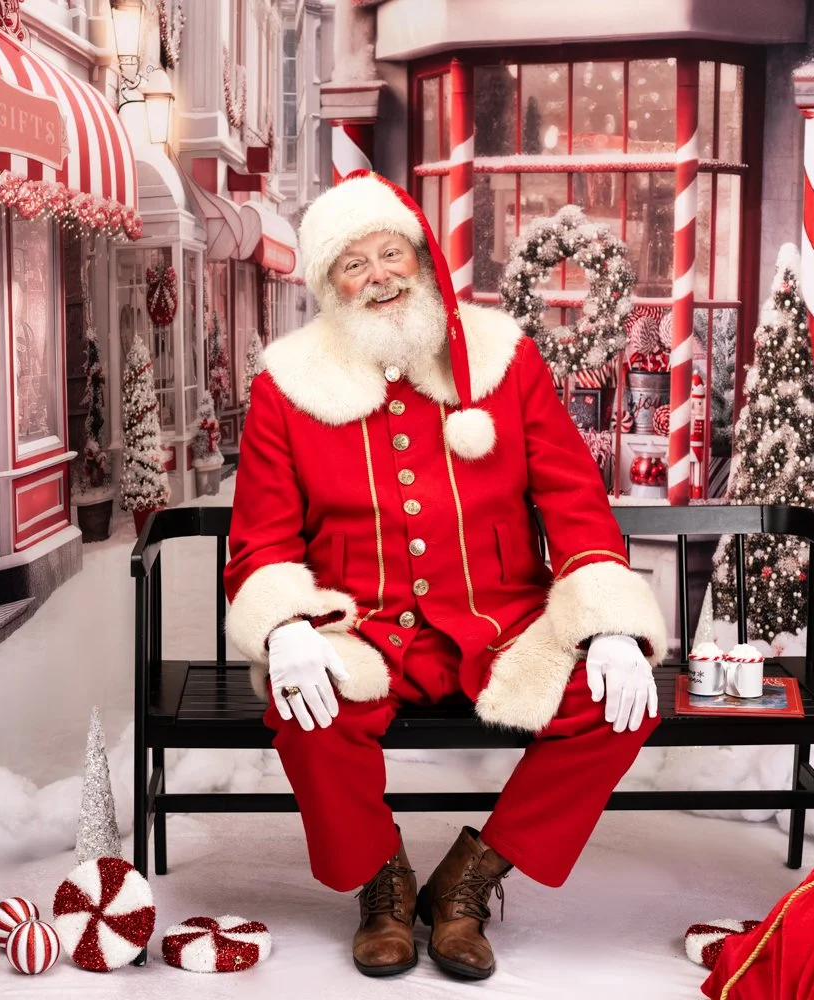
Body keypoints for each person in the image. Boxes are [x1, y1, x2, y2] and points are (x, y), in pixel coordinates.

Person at [223, 171, 668, 980]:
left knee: (619, 704)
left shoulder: (504, 360)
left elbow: (573, 501)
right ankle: (381, 883)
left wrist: (608, 624)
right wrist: (284, 629)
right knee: (304, 710)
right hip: (361, 627)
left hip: (502, 622)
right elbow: (261, 539)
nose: (379, 276)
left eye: (391, 252)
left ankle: (469, 881)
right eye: (353, 264)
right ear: (329, 284)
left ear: (422, 258)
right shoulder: (285, 386)